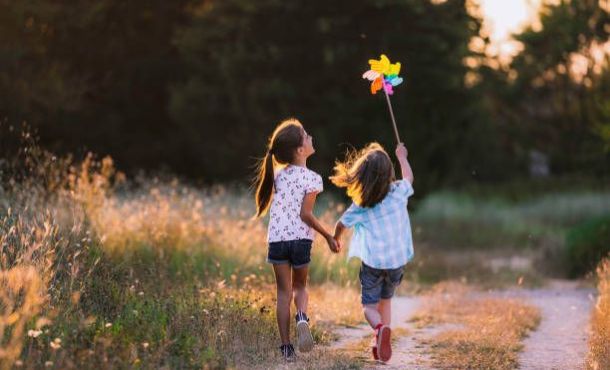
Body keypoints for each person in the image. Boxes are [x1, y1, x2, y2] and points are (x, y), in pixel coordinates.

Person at [253, 118, 339, 361]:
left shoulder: (277, 176)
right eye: (306, 136)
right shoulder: (312, 178)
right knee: (300, 287)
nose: (311, 137)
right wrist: (328, 236)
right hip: (300, 240)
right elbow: (306, 215)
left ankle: (286, 347)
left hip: (278, 240)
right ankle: (302, 317)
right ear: (301, 150)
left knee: (283, 293)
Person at [331, 142, 414, 362]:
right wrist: (402, 157)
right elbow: (409, 178)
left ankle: (378, 329)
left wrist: (335, 239)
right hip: (396, 263)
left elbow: (341, 224)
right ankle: (382, 337)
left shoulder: (362, 204)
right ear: (389, 174)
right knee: (385, 302)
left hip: (373, 265)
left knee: (368, 307)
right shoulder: (398, 192)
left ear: (363, 176)